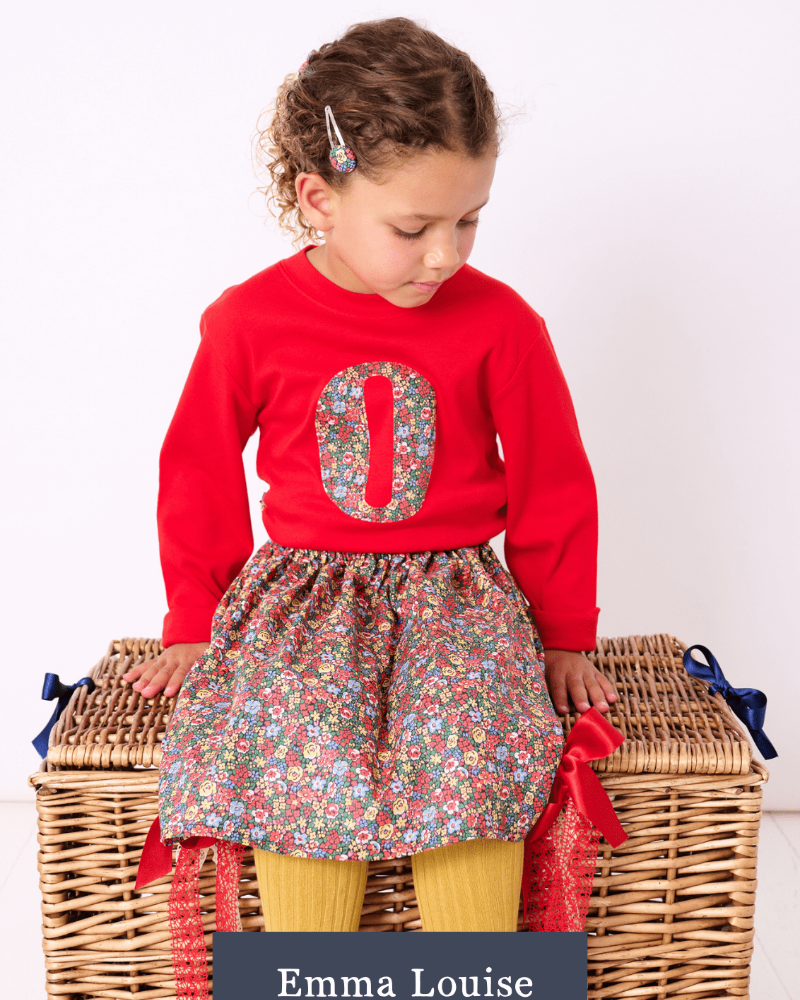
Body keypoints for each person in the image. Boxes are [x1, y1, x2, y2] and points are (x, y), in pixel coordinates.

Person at [124, 15, 617, 940]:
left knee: (477, 753)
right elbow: (195, 470)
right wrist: (196, 620)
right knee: (295, 745)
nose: (447, 253)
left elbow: (554, 480)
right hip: (306, 596)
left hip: (458, 596)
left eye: (469, 220)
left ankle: (478, 969)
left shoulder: (503, 323)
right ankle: (310, 966)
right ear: (318, 199)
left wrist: (563, 634)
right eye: (414, 226)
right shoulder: (248, 322)